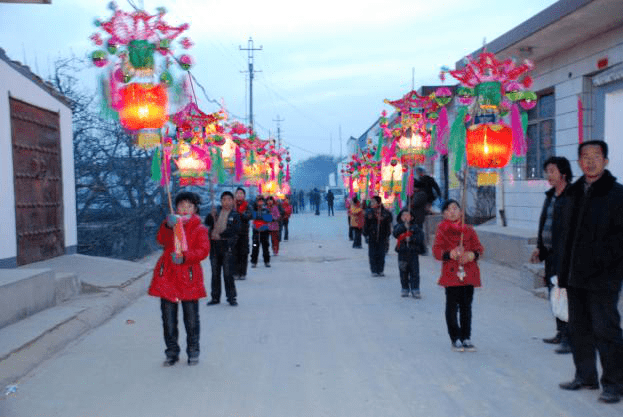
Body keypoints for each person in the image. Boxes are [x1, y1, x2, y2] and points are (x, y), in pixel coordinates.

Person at [557, 140, 623, 404]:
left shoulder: (617, 195)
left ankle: (614, 384)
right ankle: (585, 376)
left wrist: (604, 265)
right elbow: (564, 237)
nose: (591, 160)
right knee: (579, 329)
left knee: (606, 331)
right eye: (585, 156)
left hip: (603, 277)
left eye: (596, 156)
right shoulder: (572, 194)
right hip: (574, 275)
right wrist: (562, 272)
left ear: (605, 161)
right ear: (579, 162)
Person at [148, 192, 210, 366]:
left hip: (189, 277)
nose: (185, 209)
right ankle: (172, 352)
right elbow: (161, 240)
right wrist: (168, 226)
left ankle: (193, 351)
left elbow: (203, 251)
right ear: (176, 207)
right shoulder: (170, 223)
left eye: (189, 206)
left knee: (191, 320)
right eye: (182, 206)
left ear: (195, 209)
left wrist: (185, 257)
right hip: (168, 276)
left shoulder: (199, 228)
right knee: (168, 320)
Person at [530, 156, 573, 354]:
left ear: (563, 173)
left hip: (566, 256)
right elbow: (544, 224)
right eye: (547, 171)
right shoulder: (550, 196)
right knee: (553, 293)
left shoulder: (572, 197)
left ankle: (570, 337)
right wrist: (540, 247)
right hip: (550, 254)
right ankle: (560, 332)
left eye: (552, 171)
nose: (549, 175)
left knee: (565, 294)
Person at [433, 199, 484, 352]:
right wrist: (450, 254)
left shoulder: (469, 230)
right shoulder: (442, 230)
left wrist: (472, 255)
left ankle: (466, 336)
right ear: (444, 214)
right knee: (452, 307)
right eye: (449, 209)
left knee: (466, 307)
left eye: (456, 208)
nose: (453, 211)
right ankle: (455, 338)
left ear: (461, 211)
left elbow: (479, 248)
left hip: (468, 273)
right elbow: (436, 251)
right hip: (451, 274)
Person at [205, 191, 241, 307]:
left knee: (227, 273)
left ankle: (231, 297)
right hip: (215, 247)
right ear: (221, 201)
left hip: (227, 247)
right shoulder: (216, 212)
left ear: (233, 201)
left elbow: (235, 230)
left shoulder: (235, 215)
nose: (226, 202)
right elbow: (207, 223)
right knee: (215, 273)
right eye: (224, 199)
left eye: (229, 199)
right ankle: (215, 297)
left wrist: (222, 235)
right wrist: (211, 216)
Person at [393, 209, 426, 298]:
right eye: (404, 215)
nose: (406, 217)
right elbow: (395, 234)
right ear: (400, 217)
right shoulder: (398, 226)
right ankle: (405, 288)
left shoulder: (416, 227)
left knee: (414, 272)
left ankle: (415, 289)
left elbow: (420, 237)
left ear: (411, 217)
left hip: (413, 253)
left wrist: (411, 238)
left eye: (408, 215)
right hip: (402, 253)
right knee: (403, 272)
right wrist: (404, 227)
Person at [363, 196, 393, 276]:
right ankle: (374, 270)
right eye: (371, 201)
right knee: (372, 254)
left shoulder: (385, 212)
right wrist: (365, 234)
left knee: (381, 253)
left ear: (378, 202)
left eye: (373, 202)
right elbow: (366, 224)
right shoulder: (369, 212)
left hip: (382, 236)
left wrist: (387, 235)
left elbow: (389, 224)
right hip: (372, 236)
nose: (371, 203)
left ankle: (380, 270)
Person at [233, 187, 252, 281]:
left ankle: (243, 272)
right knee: (234, 253)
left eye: (241, 193)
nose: (239, 195)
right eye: (238, 193)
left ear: (244, 195)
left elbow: (249, 216)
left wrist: (240, 214)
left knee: (244, 253)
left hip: (244, 233)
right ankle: (236, 272)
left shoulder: (248, 206)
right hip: (233, 233)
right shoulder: (232, 205)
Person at [251, 196, 272, 268]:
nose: (260, 202)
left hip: (265, 231)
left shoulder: (266, 210)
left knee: (265, 247)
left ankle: (267, 261)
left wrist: (260, 216)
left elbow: (269, 218)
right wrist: (262, 217)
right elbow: (252, 216)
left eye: (261, 201)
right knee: (255, 247)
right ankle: (254, 262)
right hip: (256, 232)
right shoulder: (254, 209)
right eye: (258, 201)